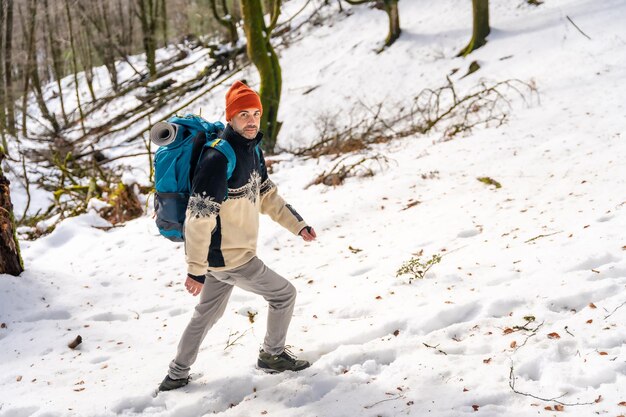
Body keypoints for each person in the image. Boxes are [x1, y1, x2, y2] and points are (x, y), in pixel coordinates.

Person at [159, 81, 317, 392]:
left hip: (221, 258)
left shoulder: (252, 149)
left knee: (206, 315)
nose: (250, 120)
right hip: (231, 258)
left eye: (255, 113)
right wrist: (195, 268)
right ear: (230, 117)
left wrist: (297, 224)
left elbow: (267, 195)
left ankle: (176, 374)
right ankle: (272, 356)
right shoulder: (218, 157)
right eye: (243, 114)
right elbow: (198, 215)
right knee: (283, 295)